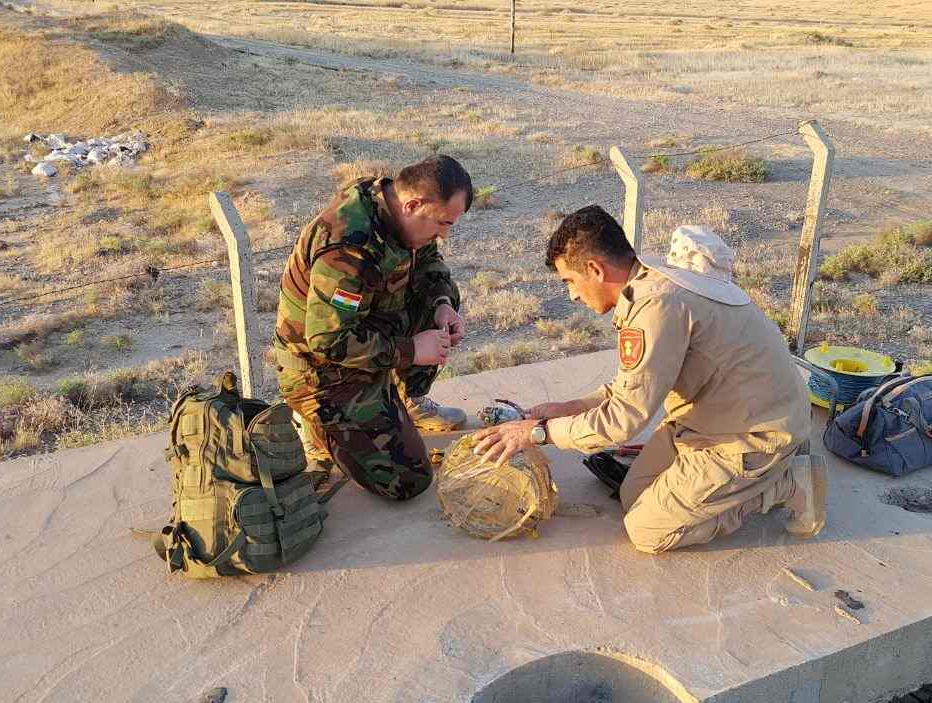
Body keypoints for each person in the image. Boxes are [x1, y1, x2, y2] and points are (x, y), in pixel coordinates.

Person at [472, 206, 825, 553]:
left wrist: (538, 433)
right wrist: (568, 408)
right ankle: (753, 475)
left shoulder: (657, 305)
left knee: (648, 531)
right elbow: (633, 387)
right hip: (716, 418)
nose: (573, 295)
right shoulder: (651, 282)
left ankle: (786, 481)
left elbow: (623, 421)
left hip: (753, 432)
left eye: (570, 282)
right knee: (635, 494)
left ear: (594, 269)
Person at [273, 155, 471, 501]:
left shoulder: (392, 205)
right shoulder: (349, 249)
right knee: (408, 481)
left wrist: (441, 304)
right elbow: (327, 341)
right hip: (323, 373)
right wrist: (412, 350)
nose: (444, 234)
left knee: (435, 306)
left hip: (364, 337)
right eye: (442, 223)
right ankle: (316, 425)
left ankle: (402, 401)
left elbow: (427, 261)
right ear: (413, 204)